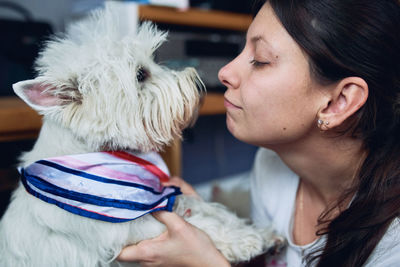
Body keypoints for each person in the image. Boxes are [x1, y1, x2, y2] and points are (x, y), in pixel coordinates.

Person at [117, 0, 400, 266]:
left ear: (338, 102)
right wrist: (212, 232)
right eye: (242, 51)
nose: (225, 72)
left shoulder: (393, 243)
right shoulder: (270, 166)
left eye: (261, 60)